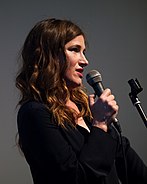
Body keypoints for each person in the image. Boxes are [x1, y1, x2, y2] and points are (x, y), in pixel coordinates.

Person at [15, 17, 147, 184]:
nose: (85, 61)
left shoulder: (87, 107)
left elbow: (131, 165)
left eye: (84, 51)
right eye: (75, 50)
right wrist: (99, 124)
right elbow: (74, 178)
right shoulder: (34, 113)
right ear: (49, 56)